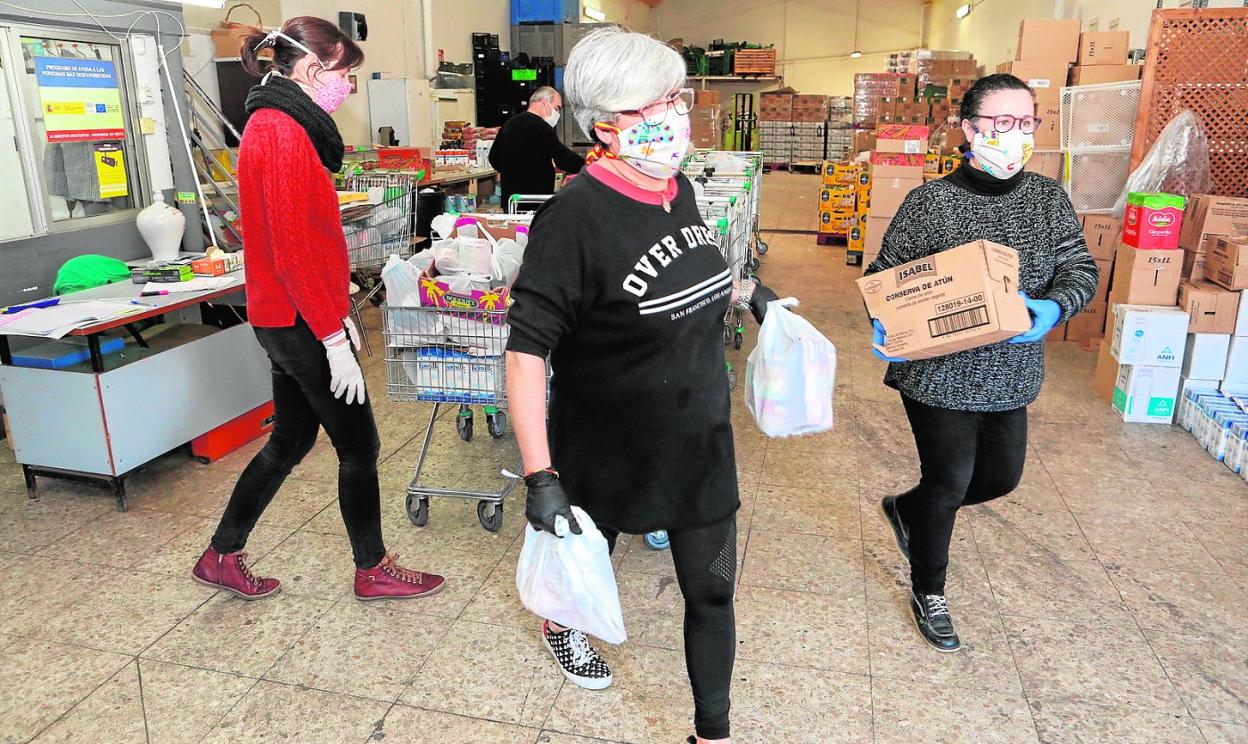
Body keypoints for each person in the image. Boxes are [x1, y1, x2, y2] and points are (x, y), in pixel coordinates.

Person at [504, 27, 777, 744]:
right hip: (609, 444)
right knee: (589, 557)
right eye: (657, 104)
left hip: (701, 439)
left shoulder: (677, 188)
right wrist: (540, 476)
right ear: (606, 125)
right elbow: (527, 351)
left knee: (713, 591)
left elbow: (683, 278)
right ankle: (561, 624)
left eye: (678, 97)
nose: (677, 115)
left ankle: (711, 733)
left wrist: (749, 292)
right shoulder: (574, 219)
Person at [190, 17, 444, 602]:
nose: (350, 86)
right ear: (310, 69)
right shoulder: (279, 131)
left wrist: (338, 308)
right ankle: (373, 568)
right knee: (359, 446)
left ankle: (221, 555)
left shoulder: (283, 125)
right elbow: (292, 251)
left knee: (290, 442)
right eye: (345, 74)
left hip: (290, 316)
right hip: (299, 320)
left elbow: (303, 238)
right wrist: (332, 337)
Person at [865, 73, 1098, 652]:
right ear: (969, 129)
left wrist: (1052, 307)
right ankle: (930, 589)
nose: (1015, 134)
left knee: (1000, 477)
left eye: (1026, 123)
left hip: (1011, 371)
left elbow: (1081, 271)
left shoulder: (1047, 199)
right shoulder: (930, 202)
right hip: (938, 372)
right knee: (949, 481)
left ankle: (907, 511)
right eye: (1001, 123)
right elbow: (884, 277)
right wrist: (886, 316)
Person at [488, 86, 586, 206]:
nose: (558, 114)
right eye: (557, 108)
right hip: (535, 200)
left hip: (511, 201)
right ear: (544, 103)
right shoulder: (542, 128)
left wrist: (513, 171)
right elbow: (563, 158)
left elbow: (493, 159)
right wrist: (587, 167)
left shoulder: (509, 124)